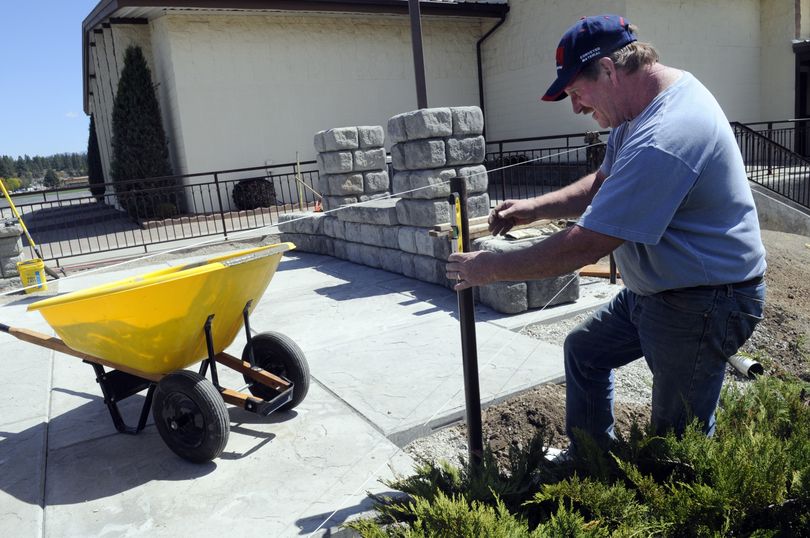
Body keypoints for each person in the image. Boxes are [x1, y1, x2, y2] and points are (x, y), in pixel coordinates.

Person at [446, 14, 766, 452]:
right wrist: (535, 208)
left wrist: (490, 268)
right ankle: (593, 460)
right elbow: (603, 183)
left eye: (577, 92)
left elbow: (590, 243)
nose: (575, 107)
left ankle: (676, 506)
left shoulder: (668, 133)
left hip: (705, 300)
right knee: (585, 351)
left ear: (610, 70)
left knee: (676, 442)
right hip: (659, 289)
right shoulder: (634, 113)